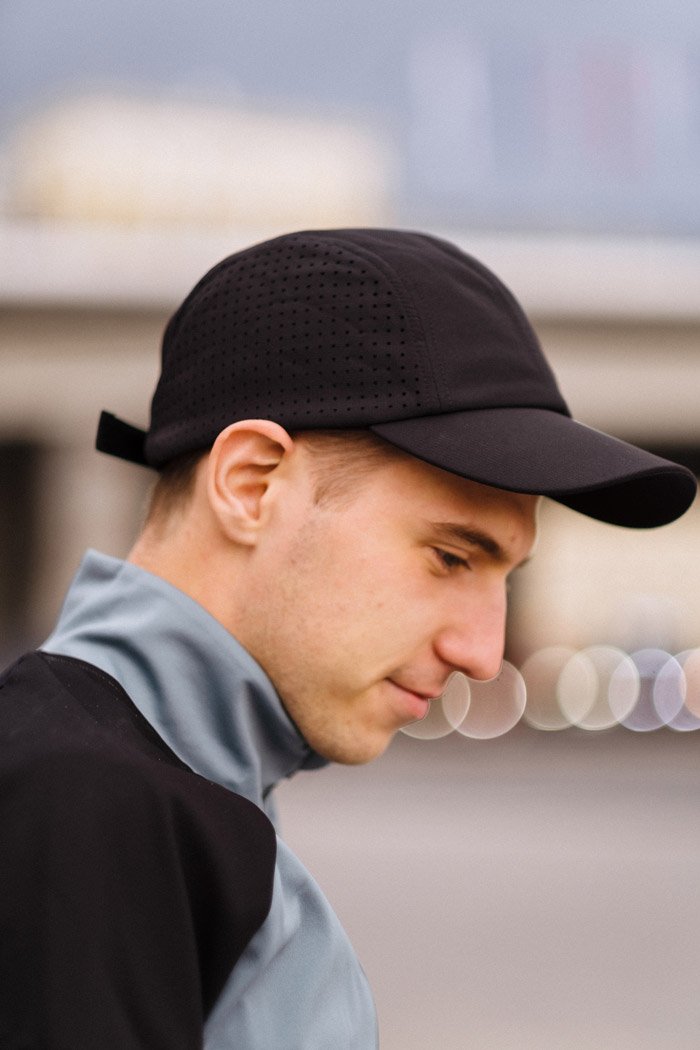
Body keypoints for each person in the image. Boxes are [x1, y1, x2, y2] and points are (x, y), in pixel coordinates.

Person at [0, 228, 695, 1050]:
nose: (483, 653)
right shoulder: (89, 804)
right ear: (251, 484)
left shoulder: (160, 790)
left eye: (504, 577)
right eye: (450, 558)